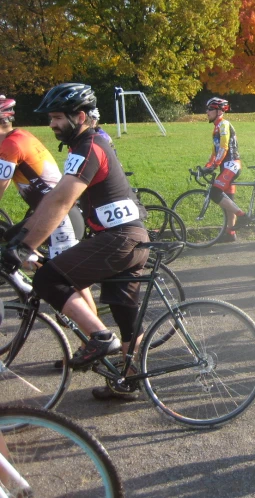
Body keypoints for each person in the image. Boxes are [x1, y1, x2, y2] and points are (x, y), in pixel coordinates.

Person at [0, 83, 150, 401]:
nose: (51, 124)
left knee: (47, 277)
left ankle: (98, 336)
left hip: (119, 238)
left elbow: (60, 201)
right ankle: (129, 381)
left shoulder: (88, 146)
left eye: (56, 117)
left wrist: (25, 246)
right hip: (130, 236)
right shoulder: (90, 141)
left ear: (79, 116)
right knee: (125, 313)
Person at [0, 95, 84, 260]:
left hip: (59, 218)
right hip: (52, 214)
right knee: (11, 244)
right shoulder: (20, 136)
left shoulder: (11, 146)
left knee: (63, 281)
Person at [202, 97, 248, 243]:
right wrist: (207, 166)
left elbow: (224, 147)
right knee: (228, 200)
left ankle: (242, 216)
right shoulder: (216, 128)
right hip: (226, 165)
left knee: (215, 193)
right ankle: (230, 233)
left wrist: (215, 165)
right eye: (207, 109)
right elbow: (214, 152)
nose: (207, 112)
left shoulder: (224, 125)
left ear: (219, 111)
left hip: (232, 165)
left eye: (210, 109)